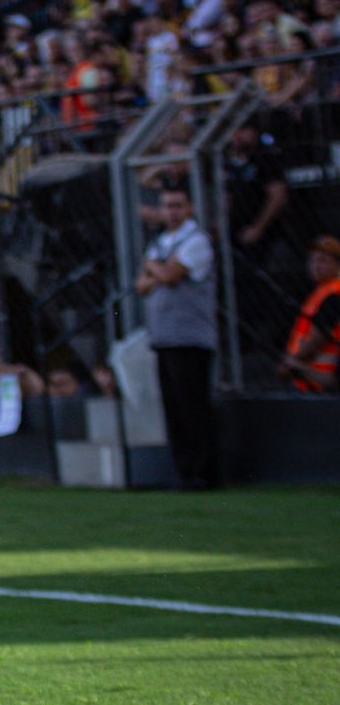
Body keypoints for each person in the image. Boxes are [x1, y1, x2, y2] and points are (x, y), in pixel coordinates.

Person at [135, 187, 219, 489]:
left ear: (190, 208)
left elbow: (169, 276)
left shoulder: (197, 241)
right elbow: (141, 286)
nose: (171, 211)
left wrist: (154, 268)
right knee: (173, 409)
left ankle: (204, 472)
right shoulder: (161, 242)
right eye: (166, 206)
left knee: (193, 406)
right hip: (164, 336)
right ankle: (183, 472)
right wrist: (159, 269)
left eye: (177, 205)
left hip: (190, 336)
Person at [279, 235, 340, 392]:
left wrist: (293, 362)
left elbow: (320, 335)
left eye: (323, 261)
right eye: (313, 260)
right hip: (310, 377)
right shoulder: (320, 293)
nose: (316, 266)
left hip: (322, 377)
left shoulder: (334, 293)